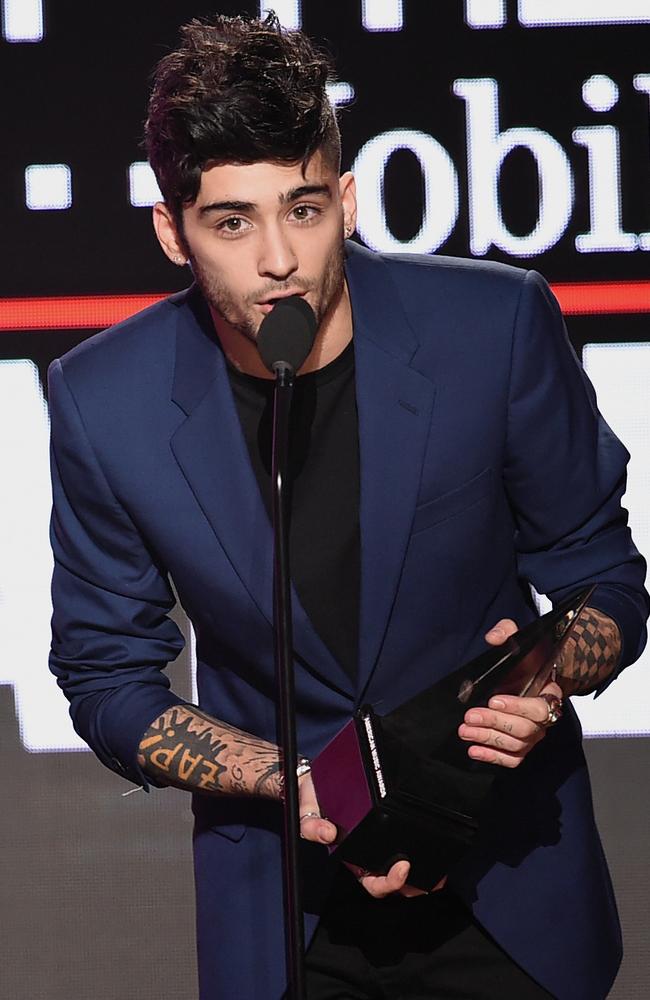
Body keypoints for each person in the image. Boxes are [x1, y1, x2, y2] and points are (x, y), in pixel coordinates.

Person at [48, 13, 648, 1000]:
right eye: (231, 221)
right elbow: (107, 677)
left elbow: (604, 578)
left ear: (350, 200)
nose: (278, 258)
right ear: (172, 231)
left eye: (304, 208)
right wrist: (288, 779)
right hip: (287, 916)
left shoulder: (490, 328)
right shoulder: (104, 401)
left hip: (507, 893)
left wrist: (544, 675)